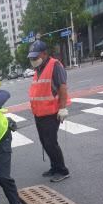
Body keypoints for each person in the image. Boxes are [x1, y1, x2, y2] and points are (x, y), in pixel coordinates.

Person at [27, 40, 71, 182]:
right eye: (31, 57)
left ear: (45, 53)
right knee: (44, 142)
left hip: (51, 112)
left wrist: (63, 108)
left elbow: (63, 87)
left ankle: (63, 170)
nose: (33, 60)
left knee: (51, 143)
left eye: (36, 56)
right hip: (39, 113)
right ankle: (54, 166)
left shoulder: (54, 65)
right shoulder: (38, 68)